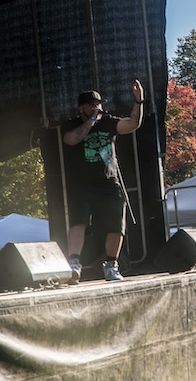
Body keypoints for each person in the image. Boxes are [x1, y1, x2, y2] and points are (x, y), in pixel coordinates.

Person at [62, 81, 144, 282]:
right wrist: (91, 121)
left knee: (116, 223)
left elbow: (133, 124)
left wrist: (139, 101)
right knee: (78, 222)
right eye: (91, 105)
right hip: (81, 183)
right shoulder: (72, 124)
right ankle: (74, 264)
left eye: (98, 104)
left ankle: (111, 265)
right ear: (81, 108)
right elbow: (71, 139)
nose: (96, 107)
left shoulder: (108, 122)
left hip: (108, 182)